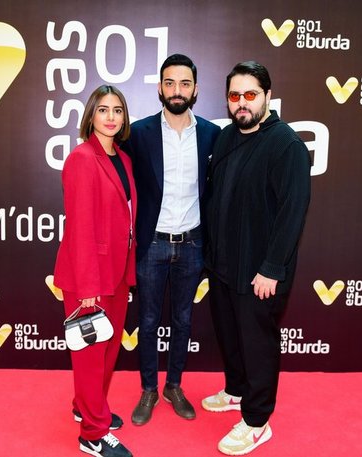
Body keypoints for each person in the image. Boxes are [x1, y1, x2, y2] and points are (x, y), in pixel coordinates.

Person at [202, 61, 311, 455]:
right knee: (229, 335)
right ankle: (236, 390)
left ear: (267, 96)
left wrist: (272, 268)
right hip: (223, 265)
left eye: (250, 94)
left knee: (257, 343)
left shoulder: (287, 145)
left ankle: (256, 420)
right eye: (235, 95)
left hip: (259, 272)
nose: (242, 102)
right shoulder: (225, 137)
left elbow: (292, 212)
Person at [121, 54, 220, 425]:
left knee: (183, 320)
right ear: (160, 88)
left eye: (184, 83)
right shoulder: (139, 133)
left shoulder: (212, 134)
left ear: (195, 89)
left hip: (192, 243)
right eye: (170, 83)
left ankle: (173, 385)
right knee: (147, 321)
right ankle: (149, 388)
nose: (177, 90)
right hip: (152, 243)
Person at [53, 85, 137, 457]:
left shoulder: (123, 158)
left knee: (106, 351)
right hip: (89, 277)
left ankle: (86, 407)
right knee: (90, 356)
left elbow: (127, 220)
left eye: (117, 110)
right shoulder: (81, 159)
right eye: (103, 109)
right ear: (91, 115)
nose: (111, 116)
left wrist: (127, 273)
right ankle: (92, 434)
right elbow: (80, 227)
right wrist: (88, 286)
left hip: (116, 272)